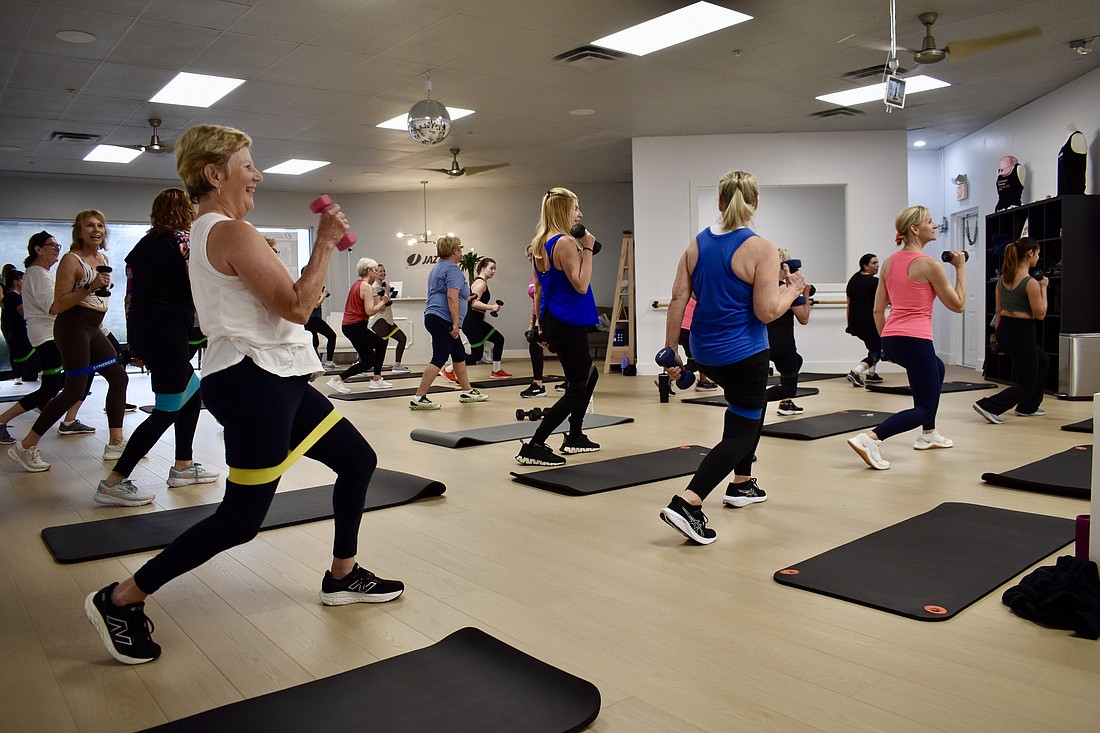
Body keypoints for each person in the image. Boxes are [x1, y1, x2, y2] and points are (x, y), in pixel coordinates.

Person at [84, 123, 403, 666]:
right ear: (214, 174)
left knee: (357, 460)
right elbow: (299, 308)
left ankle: (342, 575)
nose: (257, 174)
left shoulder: (220, 232)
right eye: (247, 165)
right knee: (240, 520)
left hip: (279, 377)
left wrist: (313, 262)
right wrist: (324, 242)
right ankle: (119, 598)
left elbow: (288, 301)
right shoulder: (229, 232)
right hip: (254, 384)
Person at [657, 171, 805, 544]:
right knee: (743, 430)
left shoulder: (696, 244)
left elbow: (677, 298)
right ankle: (689, 502)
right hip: (744, 354)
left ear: (720, 202)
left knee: (743, 411)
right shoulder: (762, 248)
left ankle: (741, 483)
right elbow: (768, 311)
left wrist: (673, 351)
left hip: (704, 352)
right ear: (755, 203)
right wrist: (793, 290)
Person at [93, 188, 221, 506]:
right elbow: (200, 287)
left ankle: (183, 466)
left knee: (193, 392)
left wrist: (134, 344)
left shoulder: (141, 247)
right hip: (167, 327)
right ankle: (113, 482)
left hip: (145, 327)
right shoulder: (184, 242)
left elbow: (130, 297)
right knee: (168, 408)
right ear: (186, 211)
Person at [7, 210, 130, 473]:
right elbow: (59, 304)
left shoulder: (102, 257)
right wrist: (90, 286)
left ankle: (116, 443)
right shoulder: (70, 261)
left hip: (94, 327)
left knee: (118, 377)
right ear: (79, 231)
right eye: (89, 225)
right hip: (72, 326)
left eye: (100, 225)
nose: (96, 230)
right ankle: (26, 446)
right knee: (73, 390)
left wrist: (100, 289)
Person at [847, 206, 967, 470]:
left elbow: (879, 310)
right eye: (930, 221)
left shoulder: (889, 262)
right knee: (924, 406)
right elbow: (958, 304)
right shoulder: (929, 265)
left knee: (937, 367)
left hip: (891, 338)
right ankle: (871, 438)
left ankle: (928, 434)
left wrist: (885, 342)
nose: (935, 225)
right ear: (915, 229)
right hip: (915, 339)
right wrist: (960, 268)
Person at [514, 188, 602, 465]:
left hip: (556, 318)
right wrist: (587, 247)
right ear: (565, 211)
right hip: (567, 321)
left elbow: (538, 288)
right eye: (576, 208)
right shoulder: (564, 243)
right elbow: (581, 283)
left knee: (590, 375)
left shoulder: (540, 242)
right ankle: (535, 444)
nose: (580, 213)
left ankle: (575, 435)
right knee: (577, 386)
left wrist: (540, 326)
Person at [0, 233, 89, 446]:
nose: (57, 248)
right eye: (52, 245)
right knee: (52, 388)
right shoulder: (38, 274)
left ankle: (68, 419)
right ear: (38, 249)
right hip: (48, 336)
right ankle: (7, 422)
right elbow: (54, 307)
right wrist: (84, 290)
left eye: (58, 245)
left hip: (53, 334)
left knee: (70, 382)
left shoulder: (42, 274)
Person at [408, 236, 489, 410]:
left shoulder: (438, 268)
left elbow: (456, 294)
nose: (461, 251)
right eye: (460, 248)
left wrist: (468, 297)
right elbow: (451, 296)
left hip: (434, 316)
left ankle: (467, 391)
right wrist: (455, 324)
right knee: (440, 356)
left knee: (458, 353)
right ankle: (419, 397)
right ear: (454, 251)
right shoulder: (452, 269)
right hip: (442, 318)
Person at [973, 237, 1048, 423]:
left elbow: (998, 311)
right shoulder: (1030, 283)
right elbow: (1040, 314)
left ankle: (1027, 407)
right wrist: (1044, 288)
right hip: (1022, 331)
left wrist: (999, 338)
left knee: (1043, 361)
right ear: (1030, 254)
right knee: (1026, 384)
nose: (1038, 258)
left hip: (1005, 328)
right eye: (1037, 254)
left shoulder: (1001, 281)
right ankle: (988, 405)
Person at [327, 257, 392, 393]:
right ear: (369, 271)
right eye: (375, 271)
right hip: (354, 326)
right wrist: (383, 301)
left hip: (353, 326)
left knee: (381, 344)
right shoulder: (366, 287)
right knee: (368, 361)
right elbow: (370, 311)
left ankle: (377, 379)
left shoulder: (357, 284)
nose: (376, 274)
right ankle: (337, 379)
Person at [766, 247, 813, 416]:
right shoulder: (789, 290)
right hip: (783, 345)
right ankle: (756, 400)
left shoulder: (764, 289)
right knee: (788, 388)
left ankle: (785, 403)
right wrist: (805, 294)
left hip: (762, 343)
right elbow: (804, 318)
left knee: (797, 361)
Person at [462, 257, 510, 377]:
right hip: (472, 323)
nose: (493, 271)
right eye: (491, 268)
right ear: (483, 268)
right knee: (476, 356)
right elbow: (474, 304)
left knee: (499, 339)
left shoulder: (480, 283)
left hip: (477, 322)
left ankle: (496, 370)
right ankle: (449, 369)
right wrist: (492, 307)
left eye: (495, 269)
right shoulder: (481, 284)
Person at [845, 253, 883, 386]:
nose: (877, 265)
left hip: (857, 323)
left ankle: (871, 375)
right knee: (876, 353)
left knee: (874, 347)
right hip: (870, 323)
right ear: (865, 266)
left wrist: (849, 323)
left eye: (877, 262)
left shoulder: (853, 280)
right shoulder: (875, 282)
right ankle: (855, 372)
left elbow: (848, 304)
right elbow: (885, 300)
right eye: (874, 263)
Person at [368, 262, 409, 373]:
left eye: (384, 271)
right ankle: (364, 363)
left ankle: (397, 365)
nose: (383, 273)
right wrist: (386, 291)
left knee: (402, 339)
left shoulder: (381, 286)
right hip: (380, 321)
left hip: (388, 320)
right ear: (375, 274)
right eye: (380, 271)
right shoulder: (375, 287)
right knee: (381, 346)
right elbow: (379, 307)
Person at [520, 245, 548, 398]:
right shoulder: (534, 276)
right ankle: (538, 384)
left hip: (551, 317)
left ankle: (575, 381)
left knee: (562, 349)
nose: (532, 258)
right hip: (540, 318)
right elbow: (534, 303)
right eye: (529, 256)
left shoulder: (546, 273)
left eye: (534, 254)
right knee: (534, 344)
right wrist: (532, 325)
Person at [2, 269, 39, 385]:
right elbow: (24, 313)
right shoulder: (13, 296)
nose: (24, 282)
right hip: (20, 333)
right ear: (15, 281)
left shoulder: (13, 296)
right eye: (22, 279)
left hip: (20, 332)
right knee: (26, 359)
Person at [677, 297, 718, 392]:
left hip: (681, 330)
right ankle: (666, 379)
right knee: (694, 364)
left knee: (700, 356)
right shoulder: (701, 298)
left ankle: (703, 382)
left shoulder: (689, 297)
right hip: (688, 331)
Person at [303, 276, 338, 370]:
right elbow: (315, 305)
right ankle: (328, 362)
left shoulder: (309, 288)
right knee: (332, 336)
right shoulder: (309, 289)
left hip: (310, 319)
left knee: (314, 342)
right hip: (313, 318)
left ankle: (315, 364)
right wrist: (323, 295)